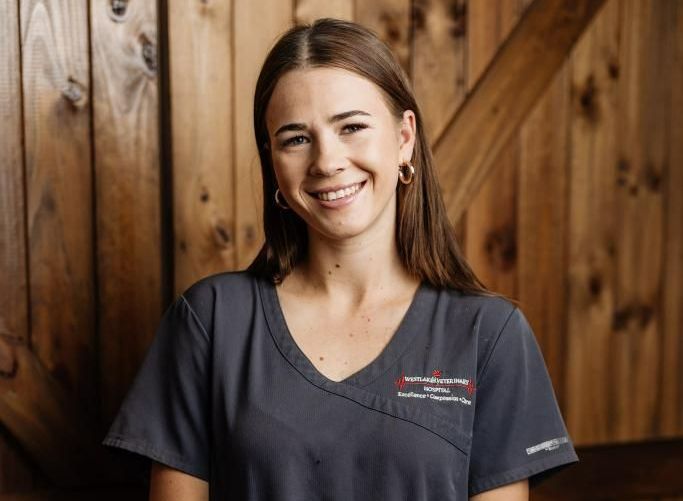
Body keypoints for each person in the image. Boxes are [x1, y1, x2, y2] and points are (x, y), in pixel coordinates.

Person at [102, 18, 579, 500]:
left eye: (351, 126)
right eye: (295, 138)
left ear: (405, 137)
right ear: (272, 163)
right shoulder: (210, 321)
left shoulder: (489, 334)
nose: (327, 161)